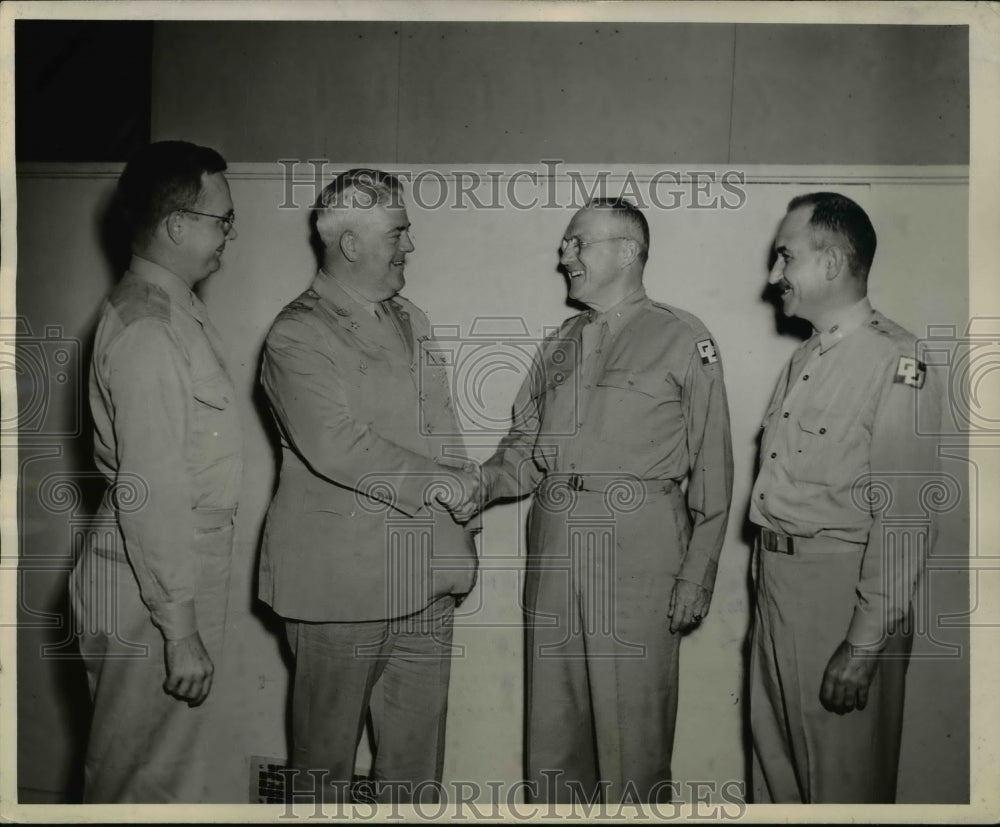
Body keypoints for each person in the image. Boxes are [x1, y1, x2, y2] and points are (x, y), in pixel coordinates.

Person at [456, 197, 733, 803]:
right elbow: (523, 449)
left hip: (638, 553)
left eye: (579, 242)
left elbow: (714, 470)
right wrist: (476, 485)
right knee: (552, 740)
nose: (564, 255)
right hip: (554, 546)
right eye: (566, 243)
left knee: (632, 743)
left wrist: (698, 574)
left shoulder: (683, 337)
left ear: (628, 251)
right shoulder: (558, 346)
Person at [259, 168, 479, 804]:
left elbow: (445, 435)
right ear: (350, 244)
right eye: (398, 232)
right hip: (336, 592)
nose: (410, 245)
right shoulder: (296, 331)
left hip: (424, 584)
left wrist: (461, 539)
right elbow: (337, 445)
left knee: (414, 780)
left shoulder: (411, 318)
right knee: (322, 777)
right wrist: (445, 486)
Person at [749, 192, 943, 803]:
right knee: (777, 779)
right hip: (775, 584)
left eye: (786, 257)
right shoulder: (808, 356)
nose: (775, 275)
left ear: (831, 263)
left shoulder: (897, 359)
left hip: (841, 593)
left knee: (842, 791)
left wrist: (863, 645)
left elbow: (906, 516)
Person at [68, 140, 242, 802]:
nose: (229, 233)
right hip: (154, 578)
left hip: (168, 569)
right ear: (177, 225)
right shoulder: (149, 327)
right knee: (141, 783)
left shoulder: (173, 309)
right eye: (221, 219)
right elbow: (155, 492)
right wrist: (180, 629)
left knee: (161, 772)